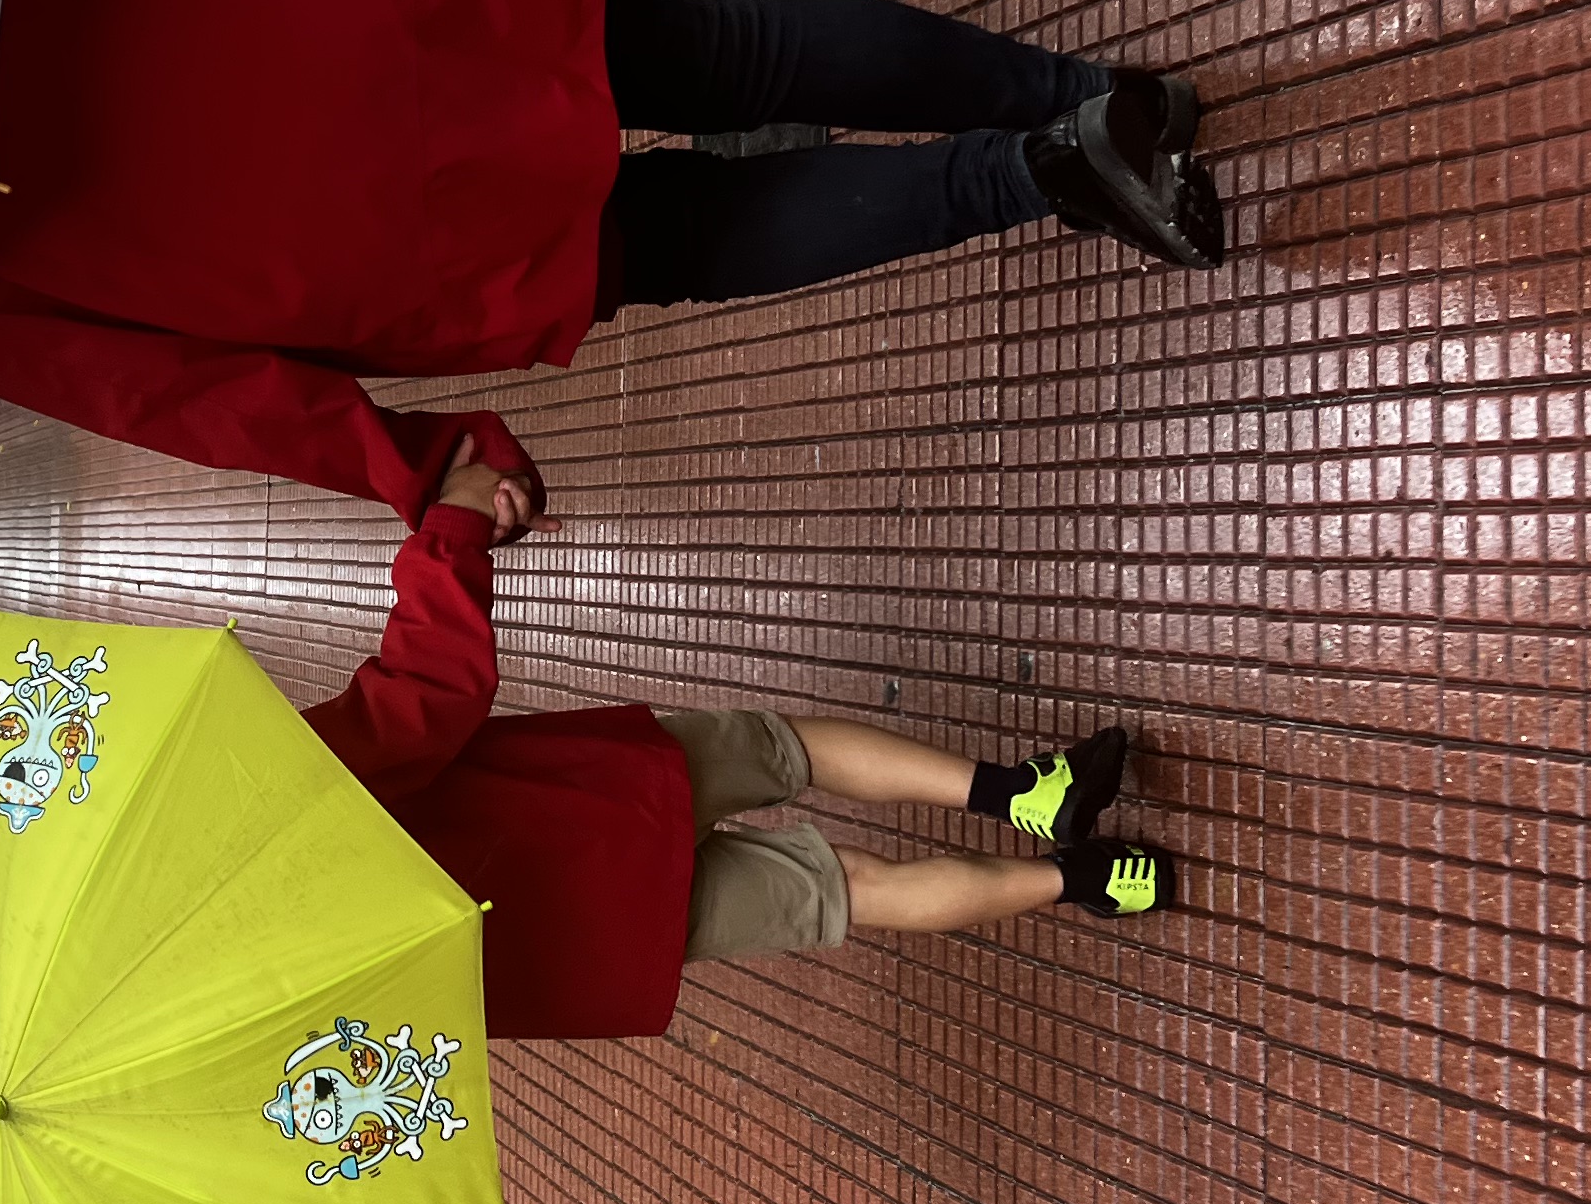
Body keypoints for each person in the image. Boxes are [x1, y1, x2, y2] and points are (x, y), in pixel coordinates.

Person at [0, 0, 1225, 540]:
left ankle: (1042, 171)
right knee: (727, 52)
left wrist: (401, 465)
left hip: (358, 238)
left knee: (692, 236)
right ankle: (1098, 95)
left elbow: (148, 388)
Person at [304, 440, 1170, 1037]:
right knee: (792, 752)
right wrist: (452, 532)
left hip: (595, 941)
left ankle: (1088, 880)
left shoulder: (256, 1027)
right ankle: (1027, 796)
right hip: (582, 805)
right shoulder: (230, 805)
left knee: (855, 890)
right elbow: (420, 702)